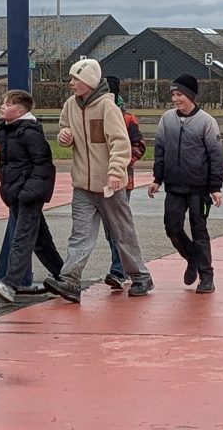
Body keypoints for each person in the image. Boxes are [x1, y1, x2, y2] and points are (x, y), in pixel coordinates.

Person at [43, 59, 154, 303]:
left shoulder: (108, 107)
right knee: (80, 234)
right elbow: (64, 128)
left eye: (75, 79)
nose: (71, 83)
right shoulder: (70, 105)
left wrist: (115, 172)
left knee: (122, 232)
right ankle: (70, 280)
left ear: (90, 82)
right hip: (82, 184)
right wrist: (64, 136)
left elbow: (120, 143)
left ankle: (140, 276)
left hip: (110, 186)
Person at [0, 89, 64, 304]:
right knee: (40, 241)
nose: (2, 107)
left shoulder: (30, 133)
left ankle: (10, 283)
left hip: (28, 195)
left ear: (19, 111)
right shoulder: (5, 132)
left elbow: (44, 165)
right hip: (15, 194)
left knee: (22, 239)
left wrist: (29, 193)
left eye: (7, 104)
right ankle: (63, 277)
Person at [148, 74, 223, 294]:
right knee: (172, 228)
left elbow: (216, 156)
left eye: (179, 94)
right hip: (174, 186)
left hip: (198, 189)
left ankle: (206, 276)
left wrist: (215, 187)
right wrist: (157, 179)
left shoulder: (206, 122)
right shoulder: (167, 119)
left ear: (190, 95)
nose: (175, 99)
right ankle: (191, 258)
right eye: (173, 94)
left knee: (199, 230)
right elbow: (160, 151)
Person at [101, 75, 147, 290]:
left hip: (122, 181)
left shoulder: (127, 119)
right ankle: (119, 268)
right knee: (110, 229)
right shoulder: (94, 115)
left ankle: (119, 270)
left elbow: (139, 147)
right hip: (96, 180)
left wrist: (119, 164)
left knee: (119, 226)